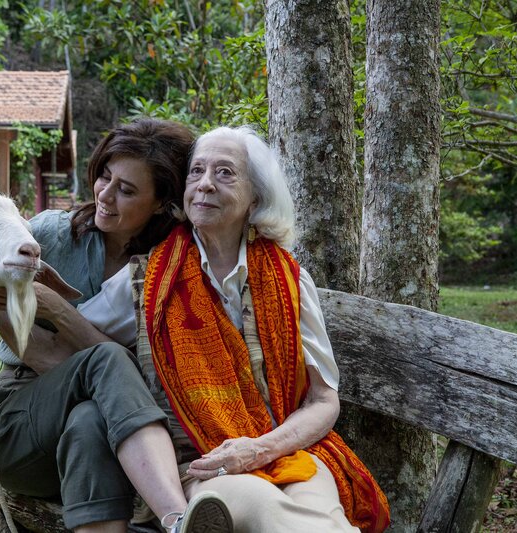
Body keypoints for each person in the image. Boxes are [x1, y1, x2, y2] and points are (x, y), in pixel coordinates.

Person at [0, 118, 234, 533]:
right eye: (104, 176)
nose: (105, 195)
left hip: (113, 436)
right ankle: (177, 517)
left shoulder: (171, 265)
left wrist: (56, 309)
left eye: (127, 190)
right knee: (108, 359)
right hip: (19, 433)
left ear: (160, 203)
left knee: (88, 418)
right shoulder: (48, 234)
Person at [125, 126, 391, 532]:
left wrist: (259, 449)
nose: (205, 184)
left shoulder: (289, 281)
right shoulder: (147, 282)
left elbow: (323, 400)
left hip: (288, 453)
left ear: (256, 198)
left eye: (225, 173)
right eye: (196, 172)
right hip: (203, 466)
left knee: (322, 514)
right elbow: (69, 330)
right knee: (266, 509)